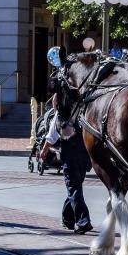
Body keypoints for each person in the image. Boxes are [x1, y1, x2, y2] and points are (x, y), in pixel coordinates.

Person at [38, 92, 93, 235]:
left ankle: (83, 221)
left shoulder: (60, 115)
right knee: (75, 188)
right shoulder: (82, 112)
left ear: (57, 103)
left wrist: (44, 151)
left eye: (54, 103)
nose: (54, 105)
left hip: (70, 157)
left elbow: (51, 135)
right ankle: (67, 219)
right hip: (84, 157)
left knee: (73, 188)